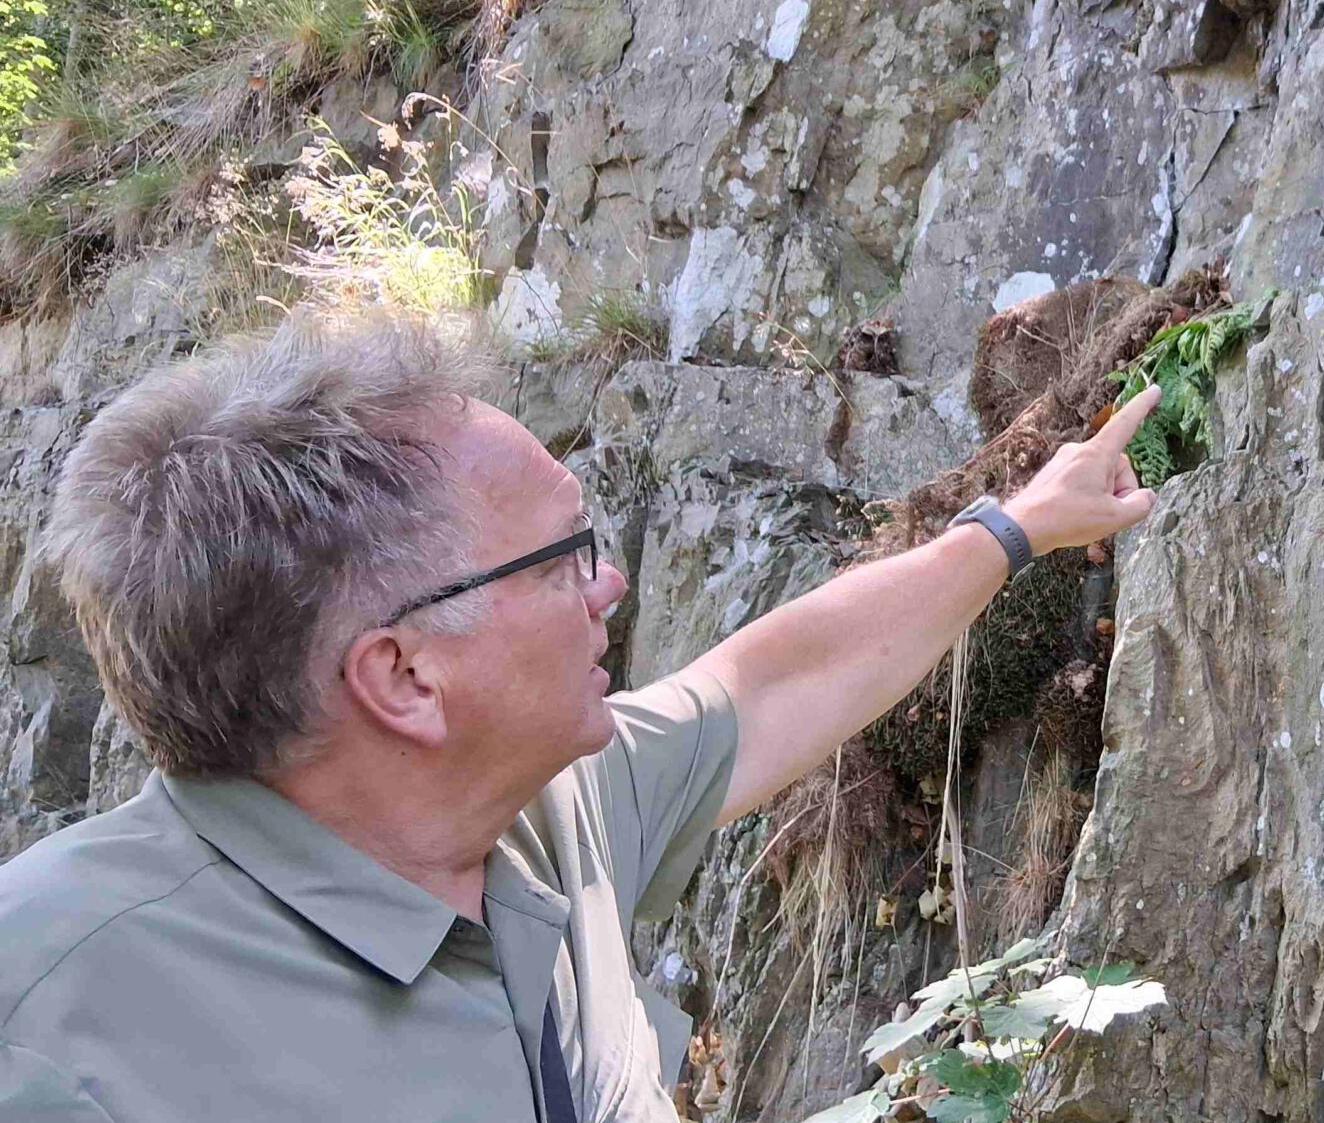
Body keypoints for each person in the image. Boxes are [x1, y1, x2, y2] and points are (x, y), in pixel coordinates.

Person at [0, 312, 1161, 1121]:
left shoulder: (538, 814)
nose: (610, 585)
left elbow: (768, 682)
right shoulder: (52, 1018)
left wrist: (1015, 526)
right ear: (403, 677)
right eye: (563, 556)